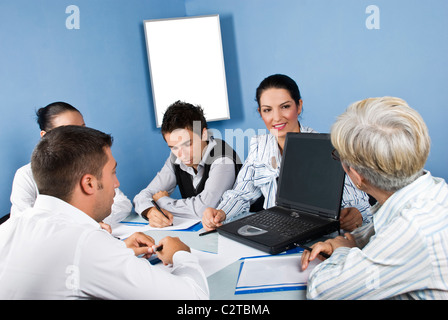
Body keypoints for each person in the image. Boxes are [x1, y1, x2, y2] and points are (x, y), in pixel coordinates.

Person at [0, 125, 209, 299]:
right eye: (113, 172)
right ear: (89, 183)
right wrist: (181, 255)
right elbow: (193, 299)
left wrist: (118, 250)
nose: (116, 183)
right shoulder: (85, 242)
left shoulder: (9, 227)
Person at [301, 97, 448, 300]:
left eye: (338, 156)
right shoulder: (433, 191)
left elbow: (322, 292)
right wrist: (344, 242)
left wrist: (344, 251)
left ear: (356, 176)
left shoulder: (414, 229)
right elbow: (384, 235)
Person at [202, 74, 370, 231]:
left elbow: (359, 204)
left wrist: (357, 214)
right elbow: (242, 193)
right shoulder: (259, 146)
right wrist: (221, 212)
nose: (276, 117)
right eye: (267, 110)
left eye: (285, 107)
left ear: (299, 106)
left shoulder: (328, 147)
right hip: (273, 230)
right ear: (260, 113)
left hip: (318, 236)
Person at [9, 102, 132, 229]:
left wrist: (93, 224)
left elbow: (121, 203)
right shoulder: (26, 175)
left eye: (83, 129)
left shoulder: (91, 164)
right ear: (45, 136)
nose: (81, 137)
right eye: (69, 131)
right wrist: (82, 225)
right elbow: (22, 223)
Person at [134, 101, 241, 227]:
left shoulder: (223, 159)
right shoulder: (176, 158)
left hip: (239, 230)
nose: (182, 155)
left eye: (187, 144)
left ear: (203, 134)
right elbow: (142, 196)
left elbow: (203, 208)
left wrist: (161, 202)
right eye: (173, 147)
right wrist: (150, 211)